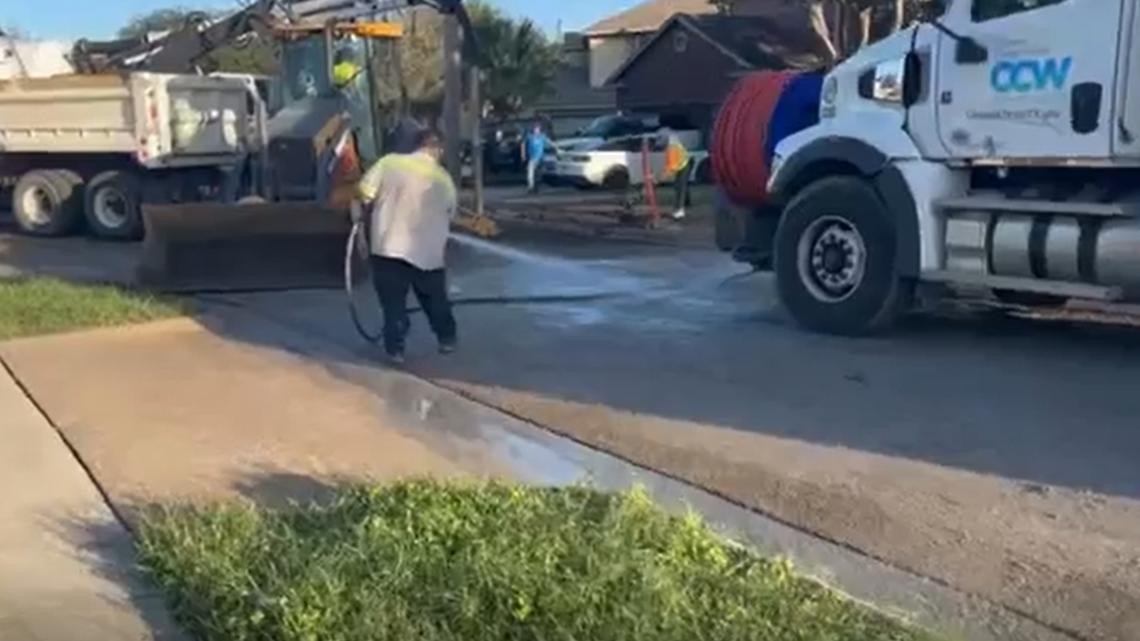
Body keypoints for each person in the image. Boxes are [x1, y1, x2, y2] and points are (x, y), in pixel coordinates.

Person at [355, 129, 458, 364]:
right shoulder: (443, 178)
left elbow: (364, 193)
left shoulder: (388, 163)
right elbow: (450, 212)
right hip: (428, 253)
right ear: (437, 149)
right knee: (435, 299)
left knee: (393, 304)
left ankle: (396, 350)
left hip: (388, 247)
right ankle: (447, 338)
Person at [662, 129, 692, 221]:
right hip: (684, 163)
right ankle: (685, 203)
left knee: (680, 187)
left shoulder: (672, 148)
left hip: (684, 166)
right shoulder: (671, 145)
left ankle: (680, 211)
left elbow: (672, 167)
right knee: (681, 186)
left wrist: (662, 177)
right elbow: (670, 165)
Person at [521, 122, 551, 193]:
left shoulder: (542, 137)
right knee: (530, 174)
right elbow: (523, 144)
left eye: (537, 129)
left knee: (538, 174)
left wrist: (557, 148)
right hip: (532, 158)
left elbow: (549, 143)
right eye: (535, 129)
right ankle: (531, 187)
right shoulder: (530, 137)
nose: (536, 130)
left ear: (540, 129)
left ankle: (536, 187)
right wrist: (523, 154)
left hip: (540, 159)